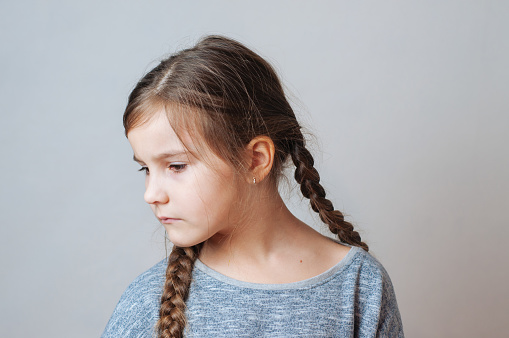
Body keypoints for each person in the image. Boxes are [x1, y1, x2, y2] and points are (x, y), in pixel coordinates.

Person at [102, 35, 404, 338]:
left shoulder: (361, 287)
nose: (151, 194)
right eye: (145, 168)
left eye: (176, 166)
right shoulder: (144, 304)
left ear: (255, 160)